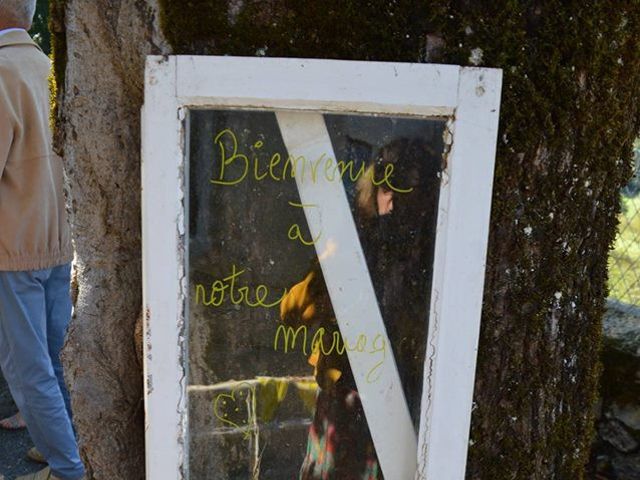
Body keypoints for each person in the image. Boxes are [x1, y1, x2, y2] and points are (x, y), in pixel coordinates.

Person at [280, 137, 440, 480]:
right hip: (344, 406)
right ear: (374, 188)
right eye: (388, 190)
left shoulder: (434, 259)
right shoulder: (356, 244)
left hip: (405, 409)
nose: (395, 204)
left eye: (409, 193)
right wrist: (336, 260)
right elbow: (292, 313)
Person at [0, 1, 85, 479]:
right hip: (57, 236)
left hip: (13, 244)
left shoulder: (1, 71)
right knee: (56, 359)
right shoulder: (48, 65)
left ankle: (67, 468)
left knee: (28, 370)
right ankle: (69, 450)